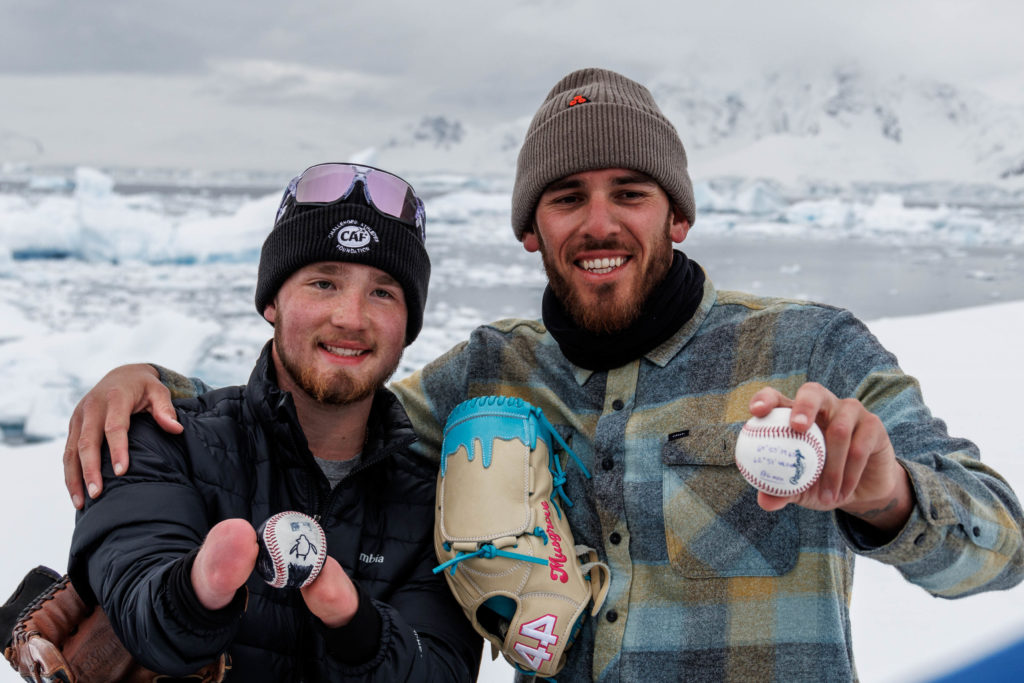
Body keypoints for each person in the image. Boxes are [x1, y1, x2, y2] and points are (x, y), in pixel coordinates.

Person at [64, 70, 1024, 682]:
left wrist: (889, 494)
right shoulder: (491, 370)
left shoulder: (812, 350)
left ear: (676, 216)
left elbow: (1002, 543)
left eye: (630, 195)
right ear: (533, 229)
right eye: (568, 198)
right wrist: (143, 379)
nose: (598, 222)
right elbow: (330, 405)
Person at [64, 162, 481, 681]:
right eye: (323, 283)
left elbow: (443, 668)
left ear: (408, 327)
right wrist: (198, 592)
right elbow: (137, 600)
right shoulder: (160, 440)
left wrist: (356, 625)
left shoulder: (434, 505)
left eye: (383, 292)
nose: (351, 317)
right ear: (271, 302)